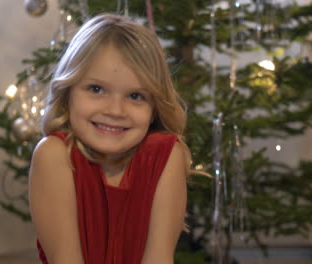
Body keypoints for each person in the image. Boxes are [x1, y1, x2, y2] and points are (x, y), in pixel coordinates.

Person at [28, 13, 191, 264]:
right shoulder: (53, 155)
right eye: (96, 89)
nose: (115, 111)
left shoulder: (167, 155)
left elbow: (159, 258)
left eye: (135, 96)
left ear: (155, 107)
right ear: (68, 91)